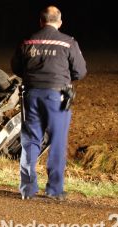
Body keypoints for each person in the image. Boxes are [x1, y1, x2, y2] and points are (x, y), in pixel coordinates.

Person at [11, 6, 86, 200]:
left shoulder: (27, 41)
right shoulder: (68, 43)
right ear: (59, 22)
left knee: (30, 140)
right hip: (57, 97)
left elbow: (17, 68)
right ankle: (54, 189)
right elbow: (80, 71)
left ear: (41, 21)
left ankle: (27, 189)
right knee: (57, 142)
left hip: (31, 95)